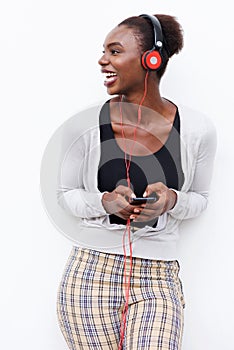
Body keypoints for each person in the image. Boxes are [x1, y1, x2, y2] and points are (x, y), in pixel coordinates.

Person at [56, 13, 217, 350]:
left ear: (151, 59)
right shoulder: (82, 126)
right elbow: (64, 195)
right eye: (103, 51)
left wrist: (172, 200)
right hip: (90, 273)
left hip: (157, 276)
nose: (102, 61)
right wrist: (104, 202)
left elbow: (200, 197)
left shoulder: (198, 129)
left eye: (114, 52)